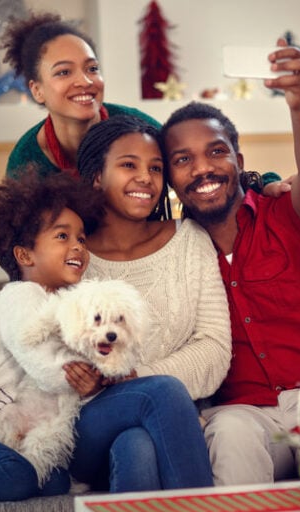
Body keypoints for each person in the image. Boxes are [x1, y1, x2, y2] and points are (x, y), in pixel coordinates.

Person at [0, 171, 195, 509]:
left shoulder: (71, 306)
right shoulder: (21, 297)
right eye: (62, 236)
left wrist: (101, 373)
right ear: (25, 256)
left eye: (82, 239)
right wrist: (91, 373)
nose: (77, 247)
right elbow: (45, 366)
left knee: (61, 475)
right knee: (19, 475)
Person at [160, 40, 300, 486]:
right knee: (229, 431)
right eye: (182, 160)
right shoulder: (175, 253)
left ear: (239, 160)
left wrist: (299, 104)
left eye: (216, 151)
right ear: (170, 179)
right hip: (248, 414)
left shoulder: (288, 213)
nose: (202, 169)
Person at [70, 115, 231, 490]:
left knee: (137, 448)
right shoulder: (73, 254)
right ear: (97, 176)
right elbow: (19, 324)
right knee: (163, 389)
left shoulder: (189, 241)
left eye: (156, 168)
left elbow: (214, 348)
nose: (146, 177)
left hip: (164, 427)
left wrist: (133, 378)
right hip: (87, 424)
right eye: (129, 165)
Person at [0, 11, 158, 177]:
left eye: (92, 69)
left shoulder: (140, 126)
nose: (85, 82)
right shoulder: (25, 161)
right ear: (37, 91)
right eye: (64, 72)